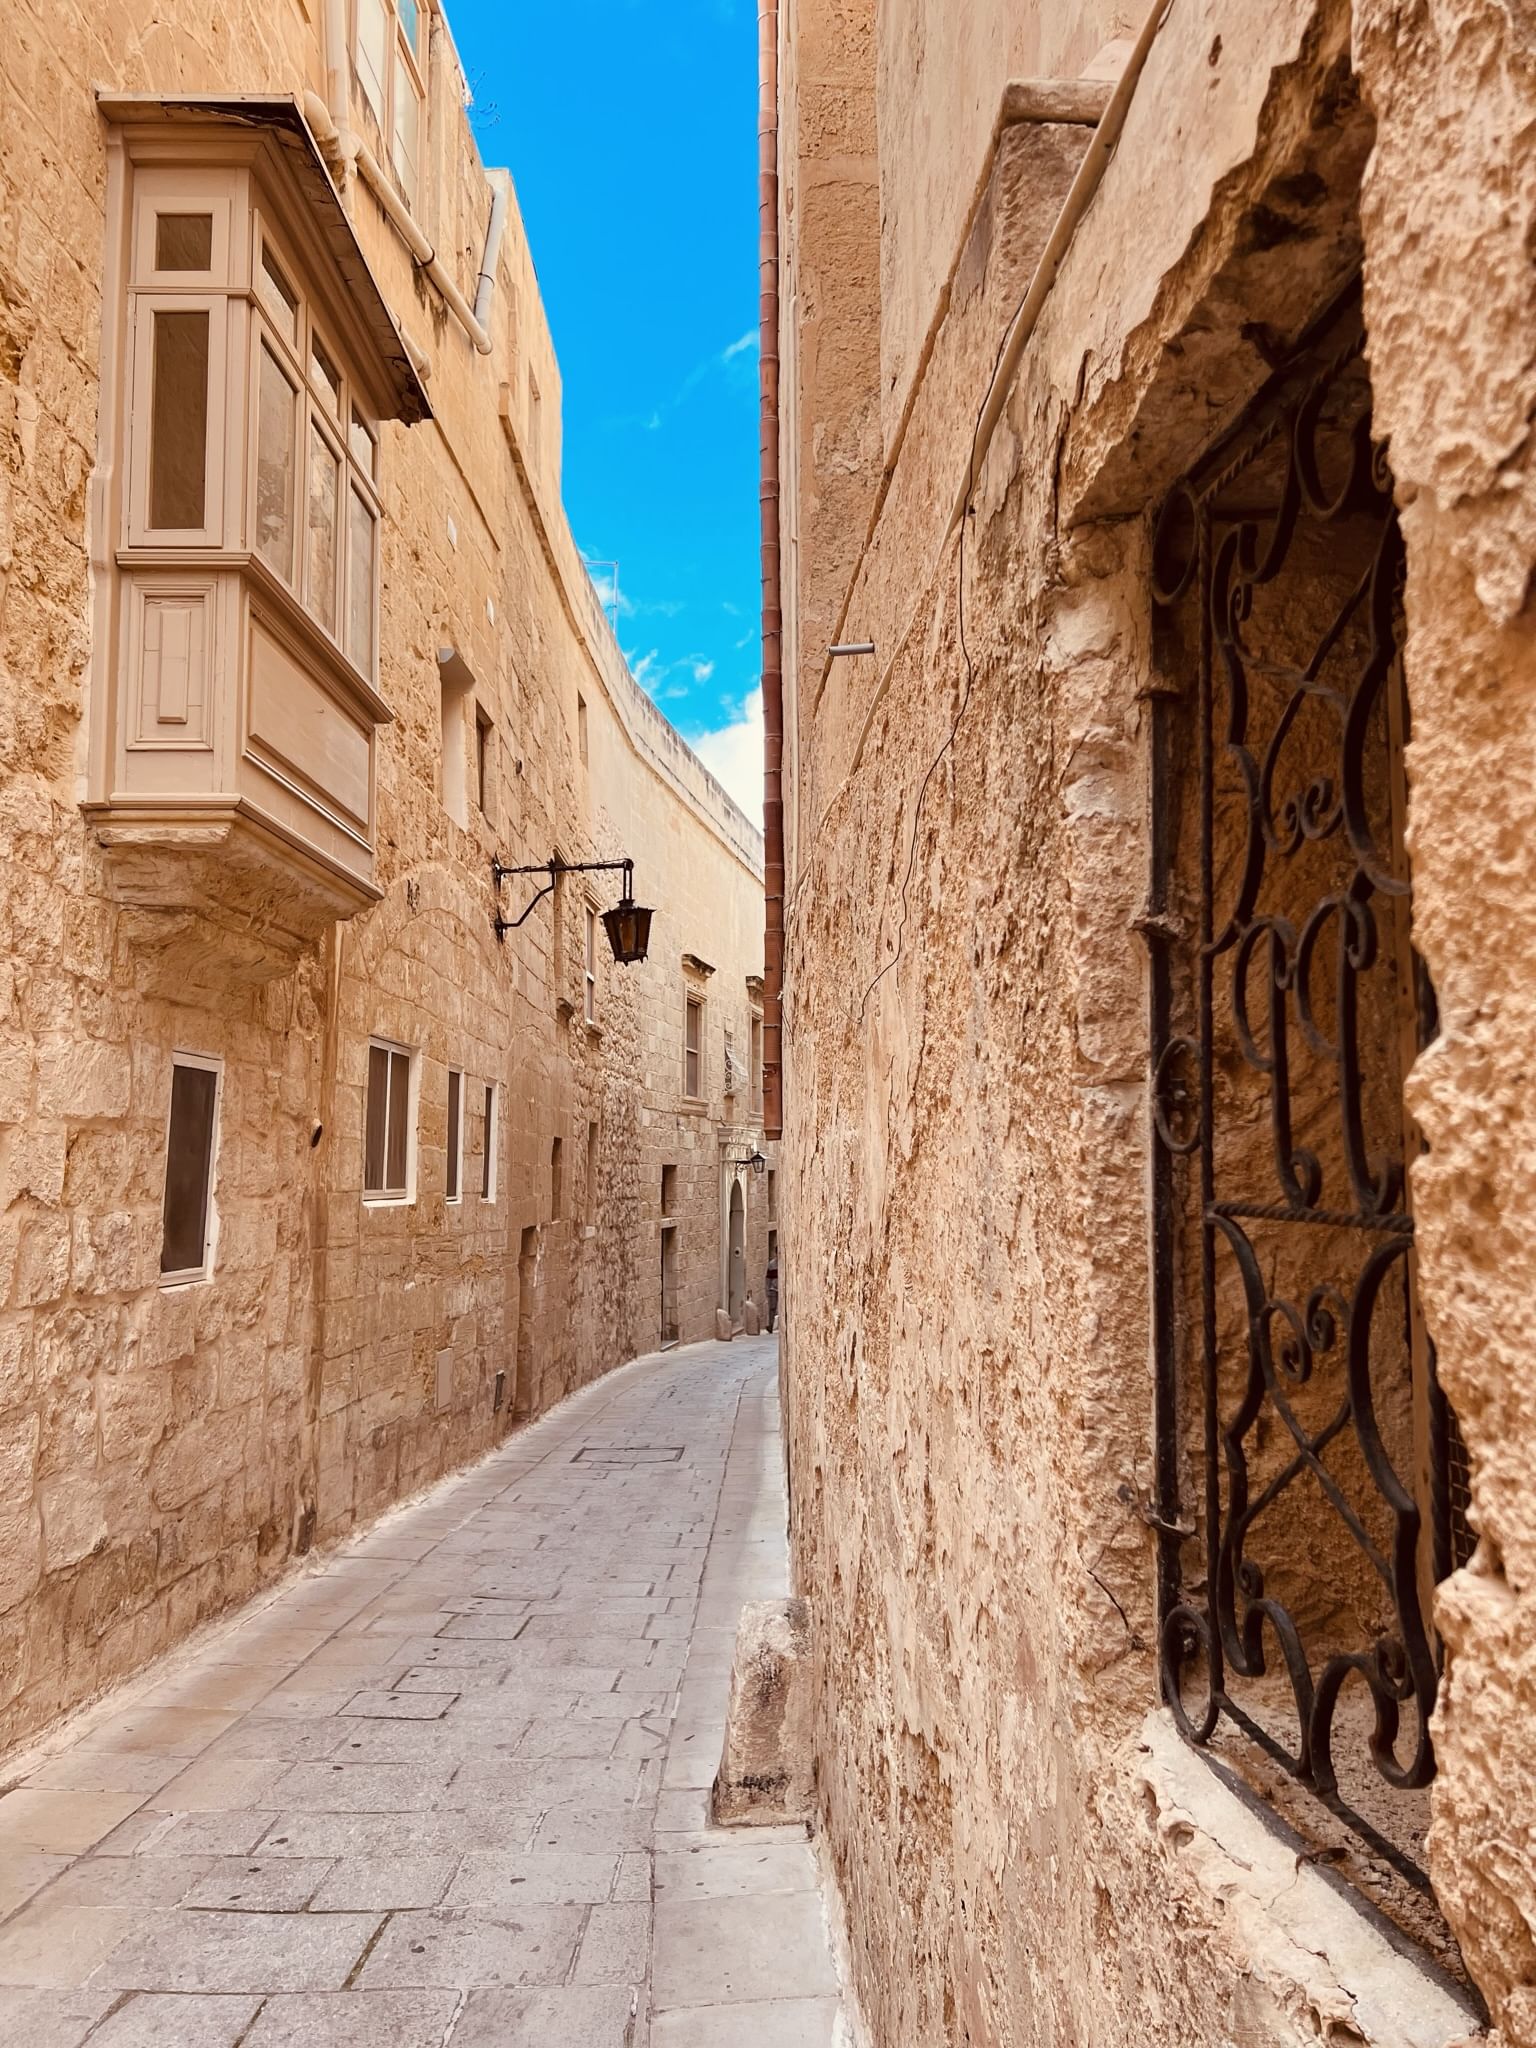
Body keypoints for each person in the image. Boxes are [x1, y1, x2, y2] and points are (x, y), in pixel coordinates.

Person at [765, 1249, 779, 1332]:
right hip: (773, 1289)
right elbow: (768, 1278)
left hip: (783, 1289)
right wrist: (767, 1289)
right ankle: (770, 1325)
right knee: (772, 1308)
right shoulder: (771, 1264)